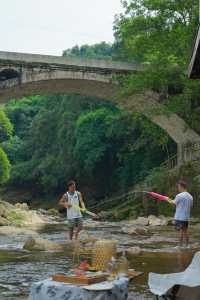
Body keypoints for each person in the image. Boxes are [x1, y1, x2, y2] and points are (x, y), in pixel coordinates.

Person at [168, 181, 193, 248]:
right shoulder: (190, 196)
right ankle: (187, 245)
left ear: (182, 187)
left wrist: (168, 200)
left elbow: (173, 203)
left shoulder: (179, 195)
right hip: (186, 217)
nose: (178, 188)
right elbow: (191, 206)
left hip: (179, 217)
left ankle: (179, 245)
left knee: (181, 231)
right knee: (185, 231)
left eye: (178, 187)